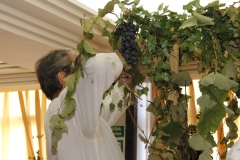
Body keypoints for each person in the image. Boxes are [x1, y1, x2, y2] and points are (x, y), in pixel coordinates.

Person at [35, 49, 129, 160]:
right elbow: (97, 65)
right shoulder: (66, 105)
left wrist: (125, 85)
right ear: (63, 78)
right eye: (79, 64)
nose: (83, 66)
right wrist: (117, 68)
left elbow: (110, 108)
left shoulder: (70, 114)